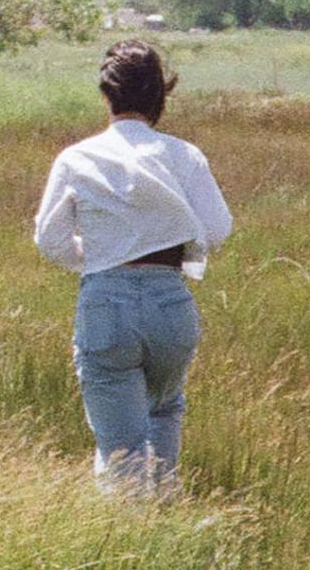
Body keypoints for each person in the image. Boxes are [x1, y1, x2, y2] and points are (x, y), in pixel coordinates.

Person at [30, 38, 232, 497]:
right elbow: (217, 228)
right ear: (161, 94)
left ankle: (127, 530)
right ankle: (164, 515)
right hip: (171, 302)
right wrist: (175, 250)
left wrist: (101, 256)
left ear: (107, 94)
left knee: (120, 448)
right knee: (163, 412)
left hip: (107, 301)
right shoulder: (184, 155)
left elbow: (50, 240)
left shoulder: (76, 158)